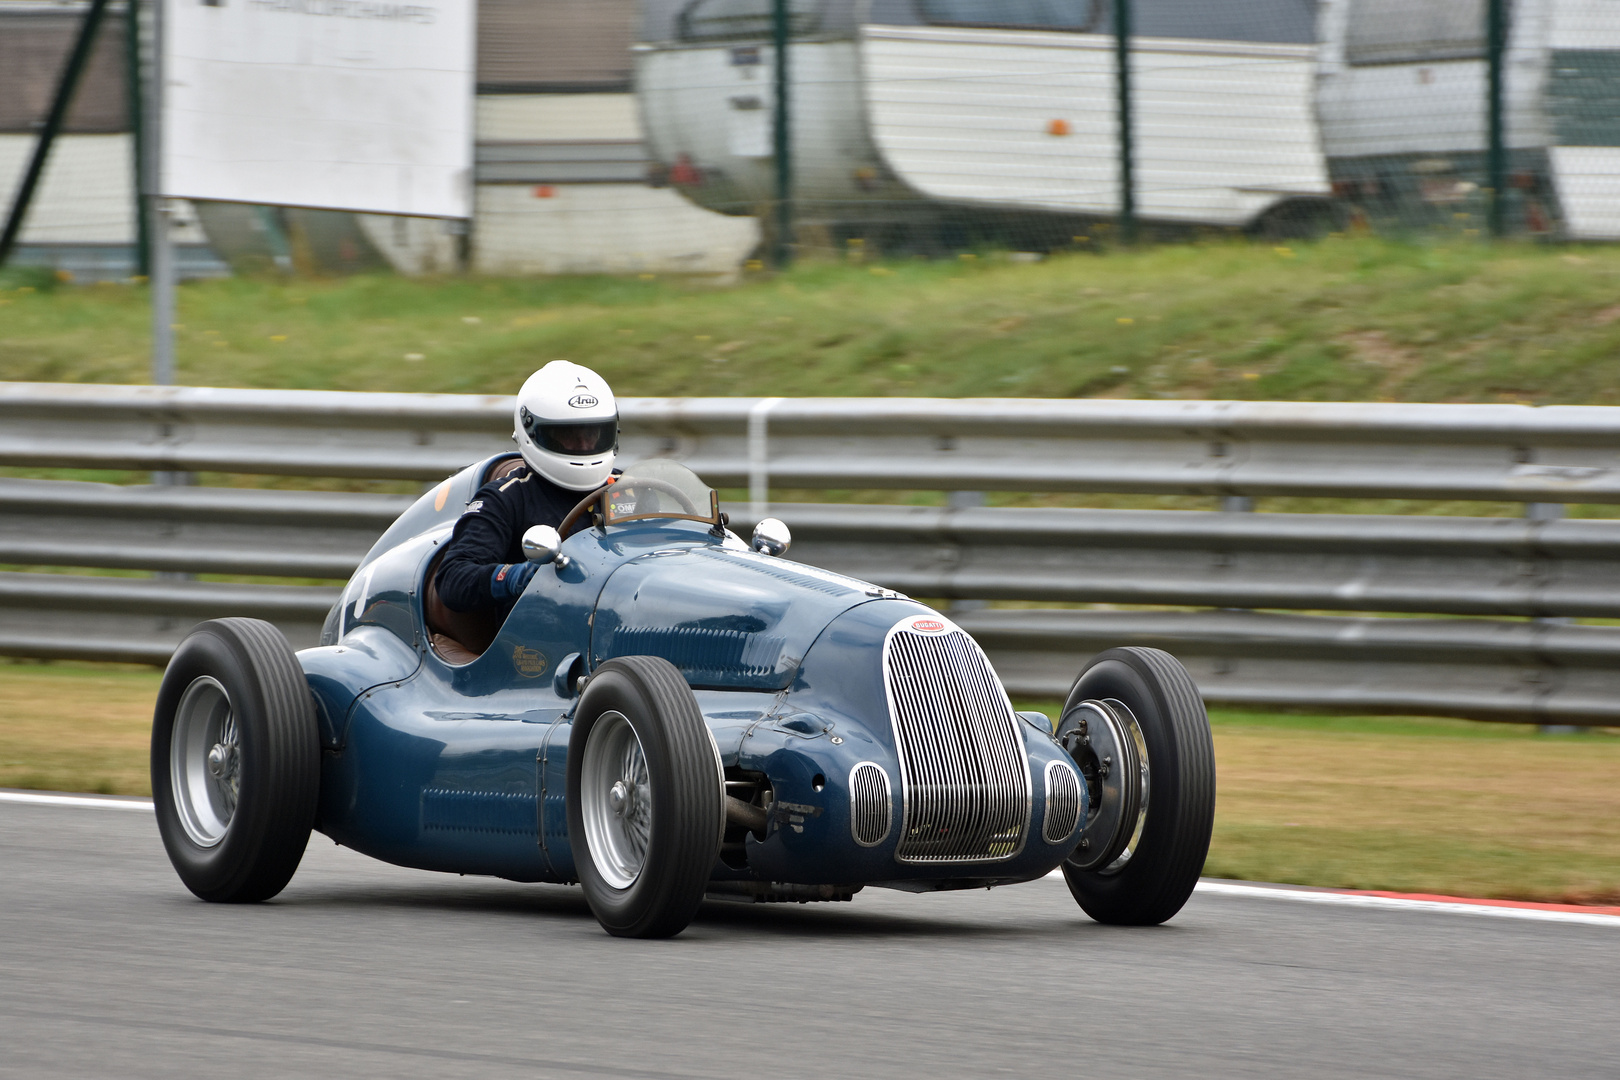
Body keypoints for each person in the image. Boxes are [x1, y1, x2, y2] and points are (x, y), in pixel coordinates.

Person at [433, 361, 619, 619]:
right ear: (533, 431)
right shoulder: (506, 497)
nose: (584, 444)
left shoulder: (629, 488)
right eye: (569, 435)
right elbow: (452, 579)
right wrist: (514, 577)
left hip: (621, 615)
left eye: (593, 433)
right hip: (540, 638)